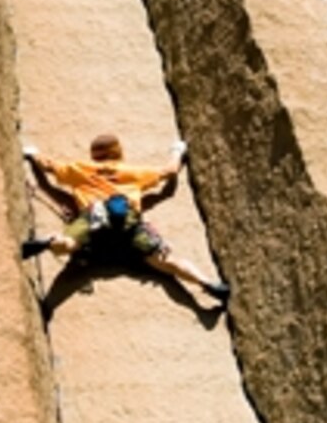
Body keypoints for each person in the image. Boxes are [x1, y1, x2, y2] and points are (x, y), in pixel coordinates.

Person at [20, 131, 229, 311]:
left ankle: (49, 242)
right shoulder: (133, 172)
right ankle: (207, 283)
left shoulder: (80, 169)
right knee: (166, 262)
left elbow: (47, 167)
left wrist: (32, 153)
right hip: (127, 221)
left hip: (95, 217)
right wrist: (178, 151)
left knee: (69, 244)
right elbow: (170, 173)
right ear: (118, 152)